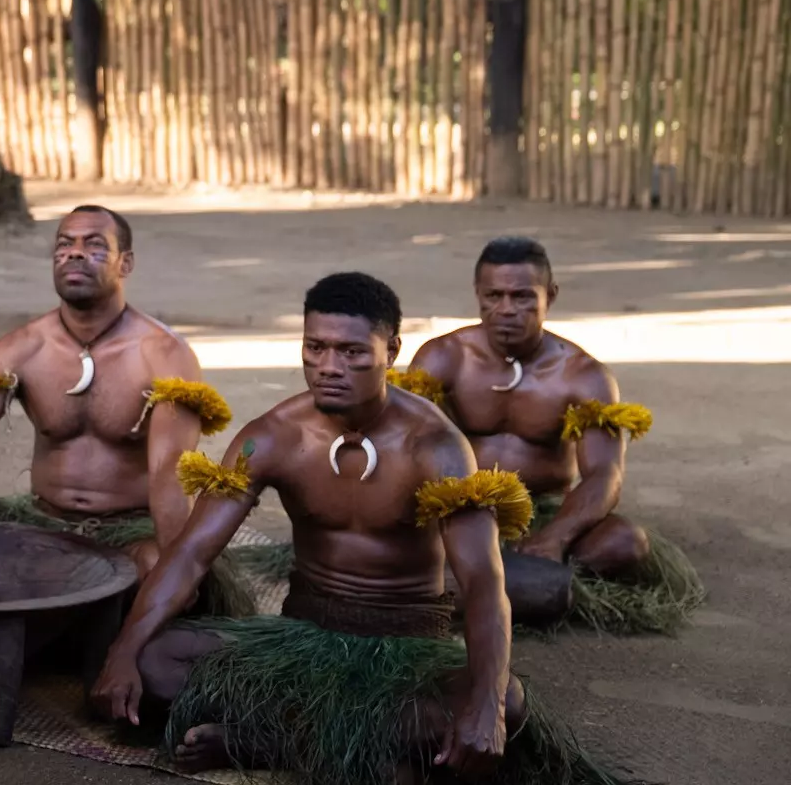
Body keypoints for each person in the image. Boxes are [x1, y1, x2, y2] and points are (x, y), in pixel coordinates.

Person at [90, 272, 613, 785]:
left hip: (405, 652)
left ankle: (268, 742)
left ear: (393, 350)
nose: (328, 367)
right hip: (301, 640)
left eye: (352, 352)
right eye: (314, 348)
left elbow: (482, 585)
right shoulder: (270, 438)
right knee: (158, 659)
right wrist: (122, 650)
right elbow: (190, 556)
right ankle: (340, 752)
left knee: (505, 701)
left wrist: (486, 705)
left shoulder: (435, 447)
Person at [397, 236, 703, 634]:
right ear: (478, 294)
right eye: (494, 295)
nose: (506, 309)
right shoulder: (442, 357)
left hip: (545, 511)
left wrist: (555, 537)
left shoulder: (583, 375)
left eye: (522, 296)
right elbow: (407, 449)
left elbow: (604, 475)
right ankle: (528, 589)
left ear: (550, 295)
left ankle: (490, 584)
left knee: (625, 543)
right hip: (464, 506)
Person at [0, 205, 234, 579]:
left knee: (157, 568)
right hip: (41, 522)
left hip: (130, 532)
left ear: (126, 263)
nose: (74, 252)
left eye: (94, 245)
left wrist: (179, 573)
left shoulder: (164, 355)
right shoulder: (23, 347)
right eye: (64, 244)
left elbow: (168, 472)